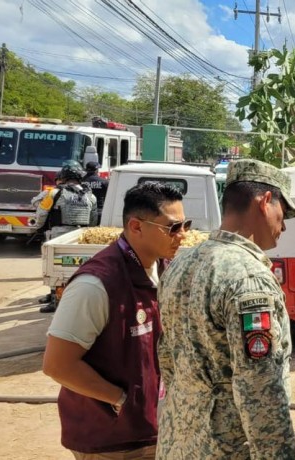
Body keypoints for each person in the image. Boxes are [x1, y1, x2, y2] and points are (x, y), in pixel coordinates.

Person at [156, 159, 295, 459]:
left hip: (178, 442)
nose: (284, 225)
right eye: (283, 213)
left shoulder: (181, 263)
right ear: (266, 201)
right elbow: (260, 389)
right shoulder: (250, 278)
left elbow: (167, 357)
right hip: (227, 449)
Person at [41, 182, 187, 459]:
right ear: (136, 227)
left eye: (185, 225)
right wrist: (120, 399)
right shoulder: (96, 284)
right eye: (173, 227)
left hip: (155, 431)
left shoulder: (164, 270)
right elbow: (58, 365)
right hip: (112, 442)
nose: (183, 235)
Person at [33, 162, 99, 313]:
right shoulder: (90, 195)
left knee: (53, 266)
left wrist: (37, 227)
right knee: (75, 268)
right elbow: (93, 219)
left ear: (63, 176)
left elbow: (41, 213)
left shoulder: (54, 193)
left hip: (58, 235)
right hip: (79, 236)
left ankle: (54, 298)